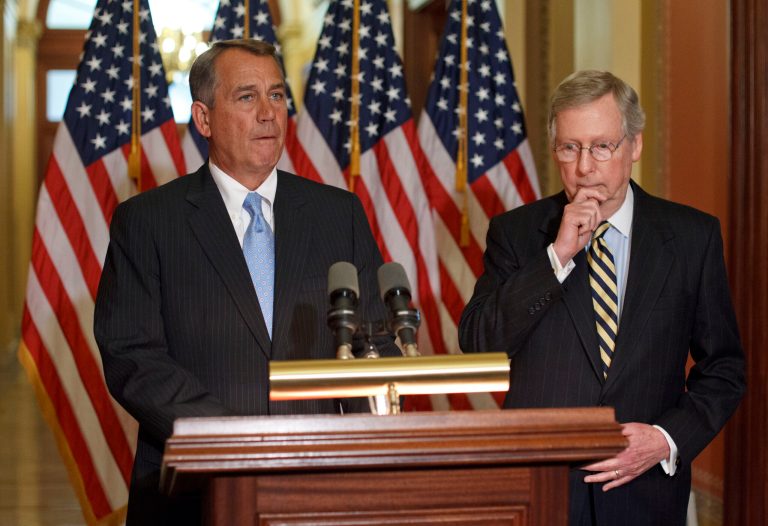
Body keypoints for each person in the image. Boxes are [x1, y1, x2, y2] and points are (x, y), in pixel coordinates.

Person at [94, 39, 398, 525]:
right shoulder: (148, 222)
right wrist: (233, 440)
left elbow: (373, 342)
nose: (267, 114)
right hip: (193, 489)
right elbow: (132, 355)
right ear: (204, 118)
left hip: (317, 485)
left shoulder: (338, 214)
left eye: (276, 96)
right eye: (246, 97)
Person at [458, 70, 745, 526]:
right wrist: (557, 257)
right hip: (541, 494)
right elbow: (477, 343)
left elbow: (724, 369)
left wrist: (666, 439)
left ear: (634, 146)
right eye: (570, 148)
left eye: (601, 146)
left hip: (646, 495)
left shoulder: (693, 237)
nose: (585, 167)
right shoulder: (516, 234)